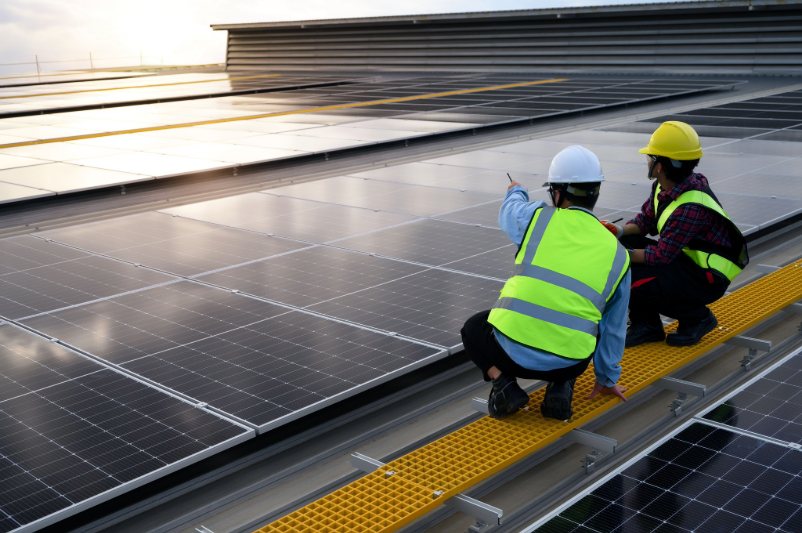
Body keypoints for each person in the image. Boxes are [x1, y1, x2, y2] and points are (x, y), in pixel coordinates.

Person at [461, 145, 631, 421]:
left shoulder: (537, 219)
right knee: (591, 323)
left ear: (558, 192)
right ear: (596, 192)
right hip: (571, 364)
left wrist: (517, 190)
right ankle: (561, 386)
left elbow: (509, 212)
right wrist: (606, 379)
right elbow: (613, 328)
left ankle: (504, 385)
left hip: (509, 355)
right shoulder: (619, 254)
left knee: (472, 329)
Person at [600, 121, 748, 348]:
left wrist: (620, 255)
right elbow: (647, 220)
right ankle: (647, 325)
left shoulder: (690, 206)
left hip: (707, 278)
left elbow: (661, 256)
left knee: (631, 276)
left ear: (660, 166)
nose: (647, 160)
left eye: (650, 156)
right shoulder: (665, 186)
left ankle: (697, 318)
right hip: (686, 262)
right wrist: (618, 231)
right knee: (624, 243)